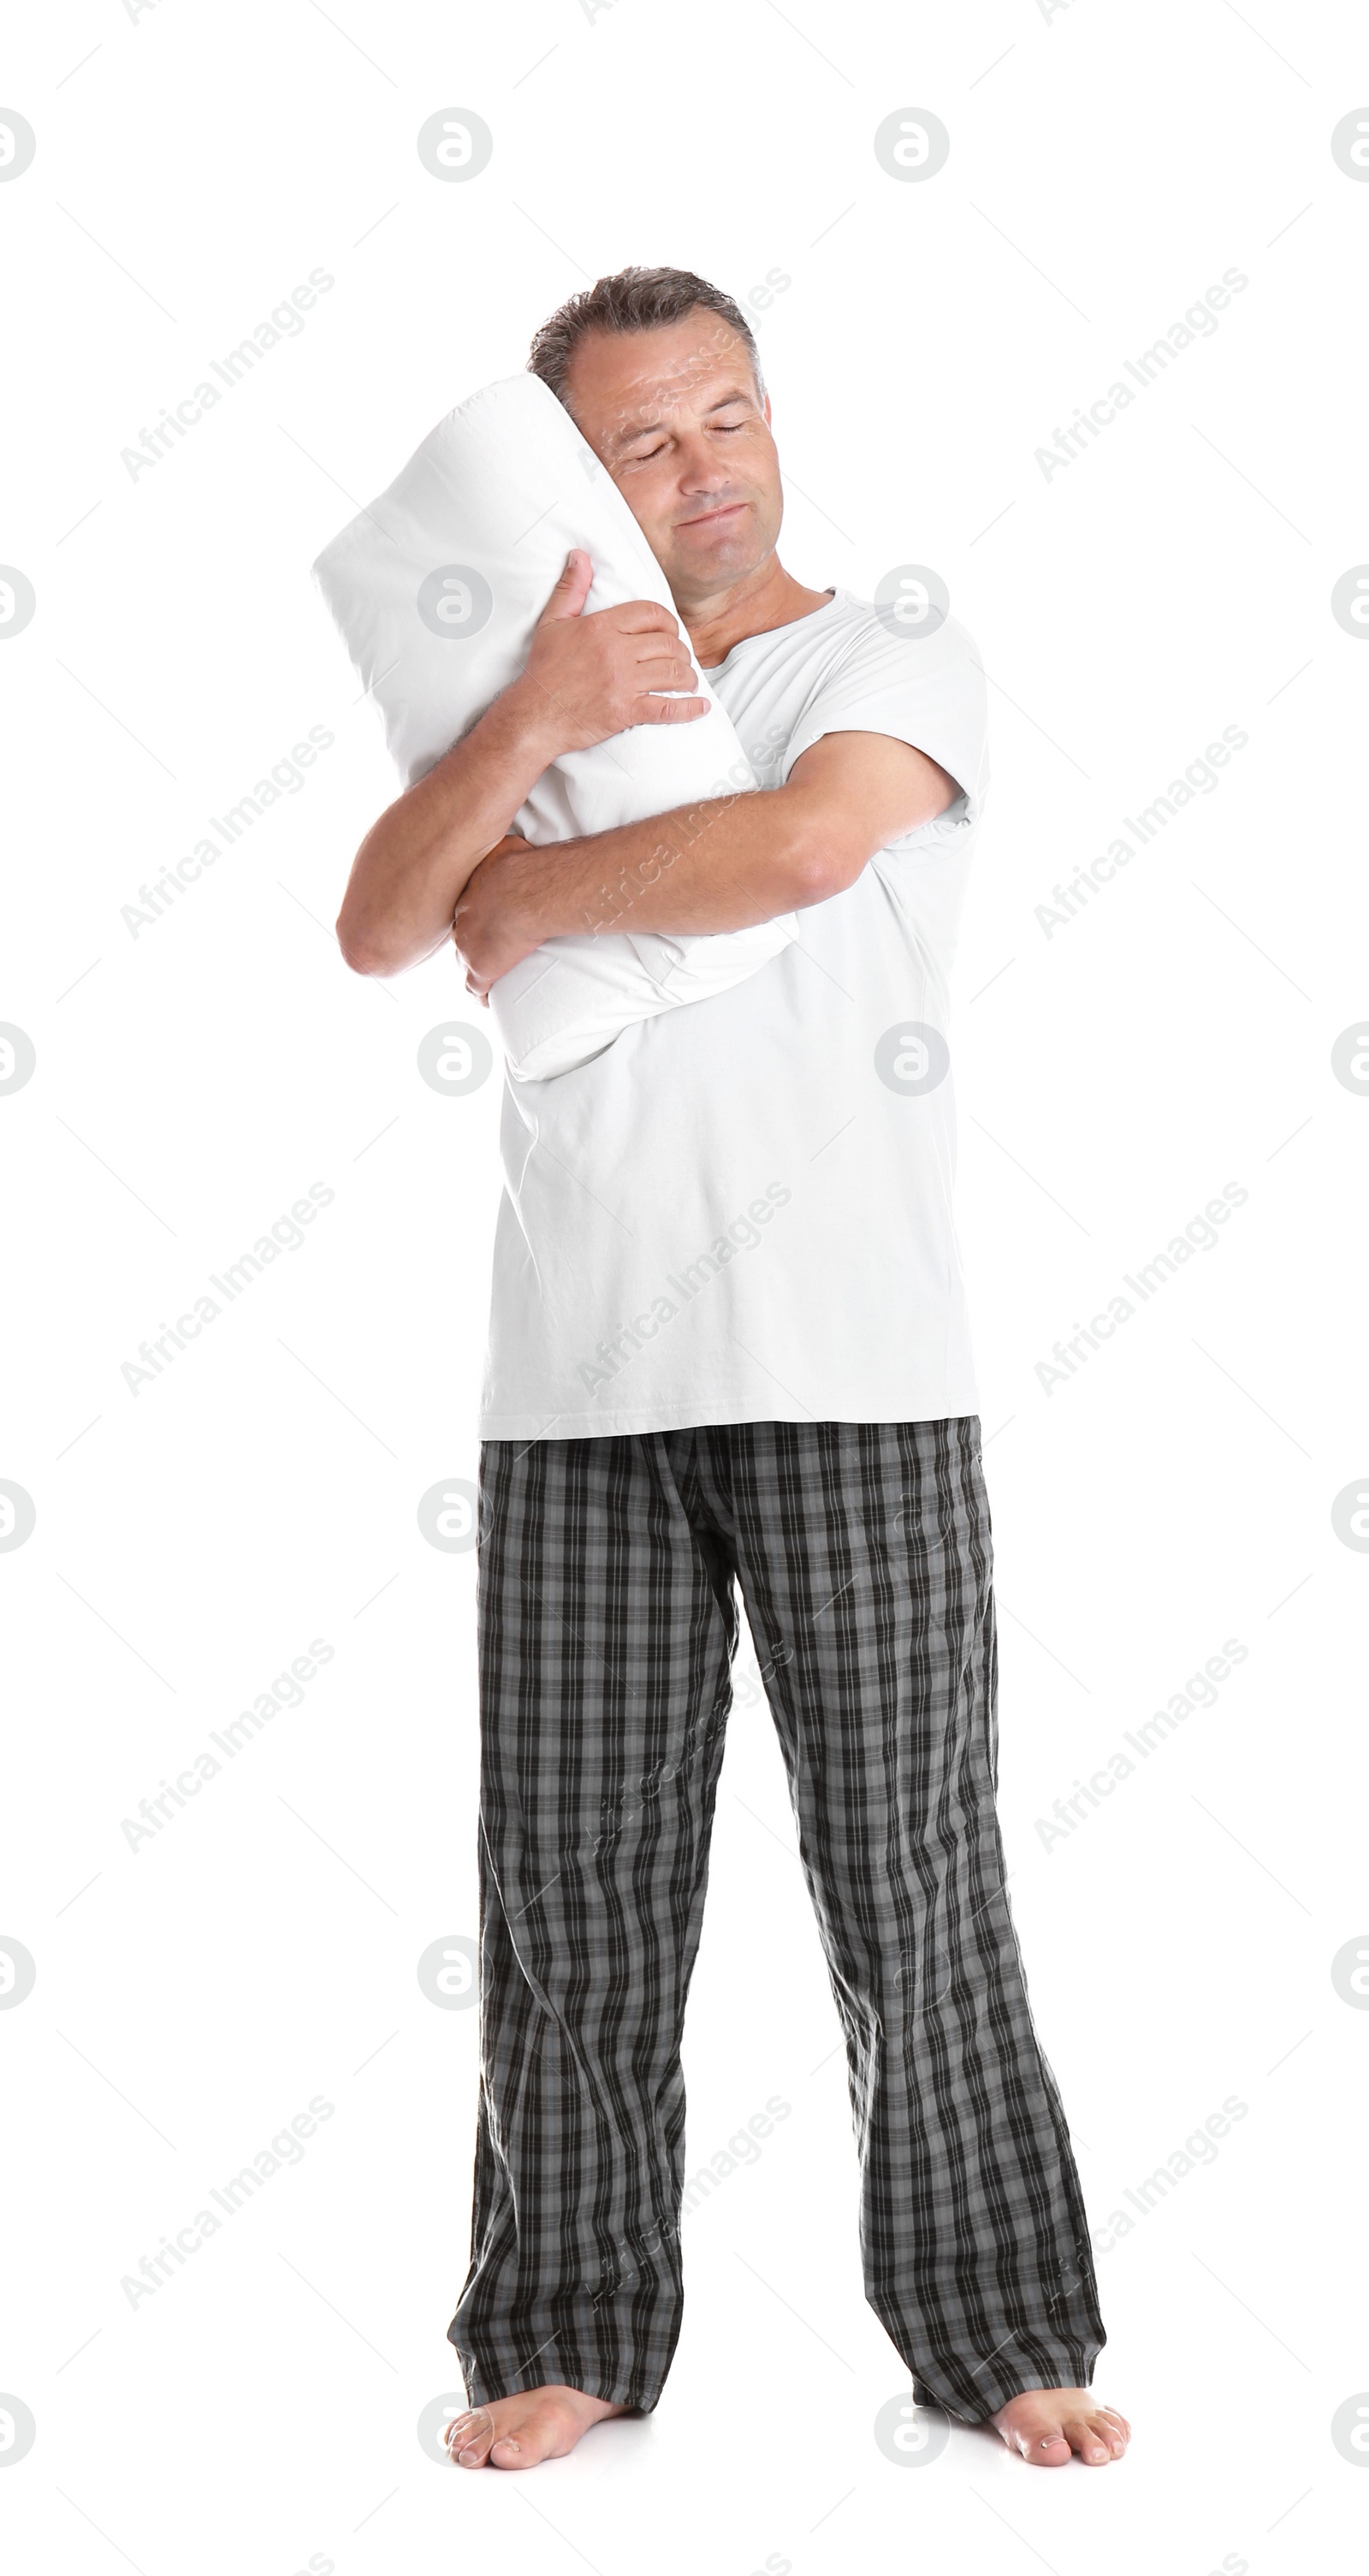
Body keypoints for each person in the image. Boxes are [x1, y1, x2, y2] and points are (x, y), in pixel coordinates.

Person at [335, 265, 1130, 2478]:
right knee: (571, 1888)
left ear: (778, 418)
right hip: (571, 1374)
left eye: (730, 416)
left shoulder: (883, 643)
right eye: (645, 442)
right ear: (578, 475)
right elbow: (389, 921)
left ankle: (1000, 2334)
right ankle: (564, 2328)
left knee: (910, 1878)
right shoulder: (533, 698)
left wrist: (536, 890)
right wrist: (522, 736)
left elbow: (795, 844)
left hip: (853, 1363)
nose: (705, 466)